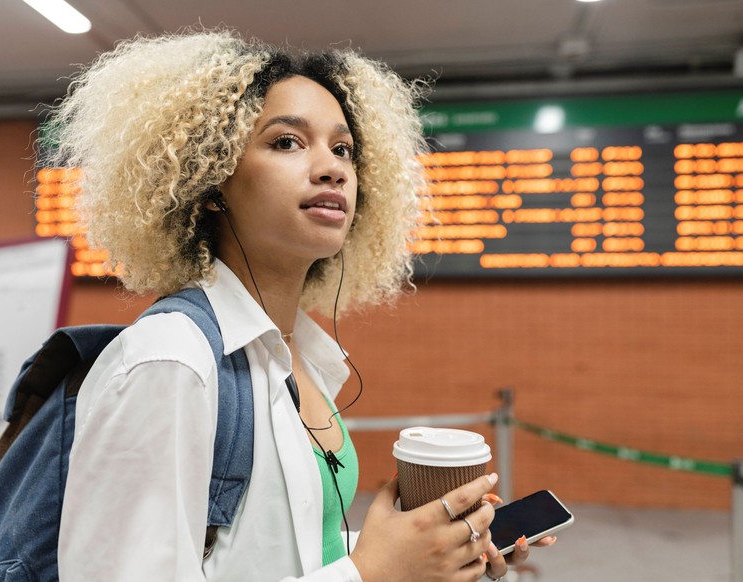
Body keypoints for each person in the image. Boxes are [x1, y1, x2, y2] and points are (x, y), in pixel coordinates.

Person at [49, 29, 550, 581]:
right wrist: (371, 574)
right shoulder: (171, 361)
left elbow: (282, 546)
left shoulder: (300, 354)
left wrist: (428, 549)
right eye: (287, 142)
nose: (332, 168)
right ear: (211, 178)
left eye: (343, 150)